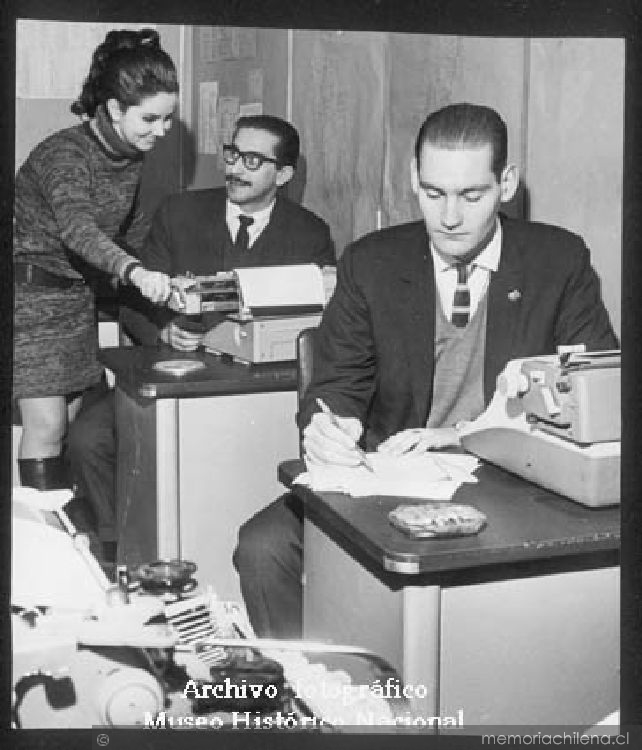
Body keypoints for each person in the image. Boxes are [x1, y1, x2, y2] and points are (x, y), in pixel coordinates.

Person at [233, 102, 619, 639]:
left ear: (506, 183)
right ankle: (315, 685)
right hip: (387, 481)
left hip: (515, 486)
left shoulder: (558, 260)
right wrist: (328, 425)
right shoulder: (371, 262)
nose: (450, 217)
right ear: (414, 178)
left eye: (471, 195)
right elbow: (336, 384)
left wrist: (464, 435)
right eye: (434, 193)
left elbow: (597, 398)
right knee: (263, 548)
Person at [65, 114, 336, 553]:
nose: (235, 168)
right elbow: (134, 301)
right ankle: (119, 546)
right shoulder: (180, 213)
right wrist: (165, 330)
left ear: (283, 174)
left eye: (252, 160)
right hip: (172, 373)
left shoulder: (309, 233)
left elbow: (318, 322)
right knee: (88, 439)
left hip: (254, 390)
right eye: (233, 154)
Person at [14, 28, 178, 493]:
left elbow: (131, 231)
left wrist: (169, 275)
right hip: (30, 299)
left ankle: (61, 522)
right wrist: (133, 271)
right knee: (46, 426)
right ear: (114, 109)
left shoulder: (130, 156)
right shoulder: (64, 154)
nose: (161, 131)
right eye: (150, 119)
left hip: (75, 300)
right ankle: (46, 531)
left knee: (66, 426)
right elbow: (78, 229)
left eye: (168, 119)